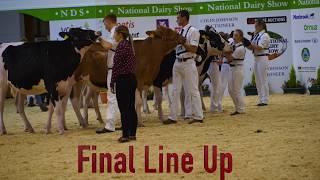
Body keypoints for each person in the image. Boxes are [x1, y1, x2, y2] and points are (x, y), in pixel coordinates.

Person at [163, 10, 204, 125]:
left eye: (178, 18)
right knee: (175, 91)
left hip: (188, 62)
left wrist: (184, 42)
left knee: (193, 90)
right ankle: (173, 117)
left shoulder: (193, 31)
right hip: (177, 62)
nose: (177, 20)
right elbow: (176, 46)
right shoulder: (180, 31)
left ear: (184, 18)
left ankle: (199, 116)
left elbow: (194, 49)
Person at [110, 25, 138, 143]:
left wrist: (112, 82)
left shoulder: (121, 46)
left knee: (124, 108)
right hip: (131, 78)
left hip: (123, 80)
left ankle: (125, 135)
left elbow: (116, 66)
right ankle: (132, 134)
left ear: (120, 34)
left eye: (115, 33)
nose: (114, 35)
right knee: (131, 107)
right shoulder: (128, 45)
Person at [96, 14, 120, 134]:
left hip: (114, 70)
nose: (104, 26)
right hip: (119, 69)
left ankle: (110, 125)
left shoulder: (115, 31)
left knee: (111, 97)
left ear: (109, 22)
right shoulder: (119, 31)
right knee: (119, 97)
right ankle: (120, 122)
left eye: (105, 23)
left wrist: (98, 38)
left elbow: (108, 46)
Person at [244, 19, 270, 106]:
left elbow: (260, 47)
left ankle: (265, 100)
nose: (255, 27)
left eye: (256, 26)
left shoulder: (265, 35)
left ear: (261, 26)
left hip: (263, 58)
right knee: (258, 80)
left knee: (263, 79)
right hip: (256, 58)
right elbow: (252, 48)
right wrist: (246, 44)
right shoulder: (257, 35)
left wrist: (249, 44)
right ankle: (261, 99)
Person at [228, 29, 246, 115]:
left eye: (236, 35)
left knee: (237, 90)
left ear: (241, 37)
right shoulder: (232, 44)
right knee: (231, 90)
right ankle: (237, 107)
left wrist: (223, 52)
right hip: (232, 68)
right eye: (233, 35)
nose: (234, 37)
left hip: (238, 68)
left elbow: (230, 58)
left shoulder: (241, 48)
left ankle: (241, 109)